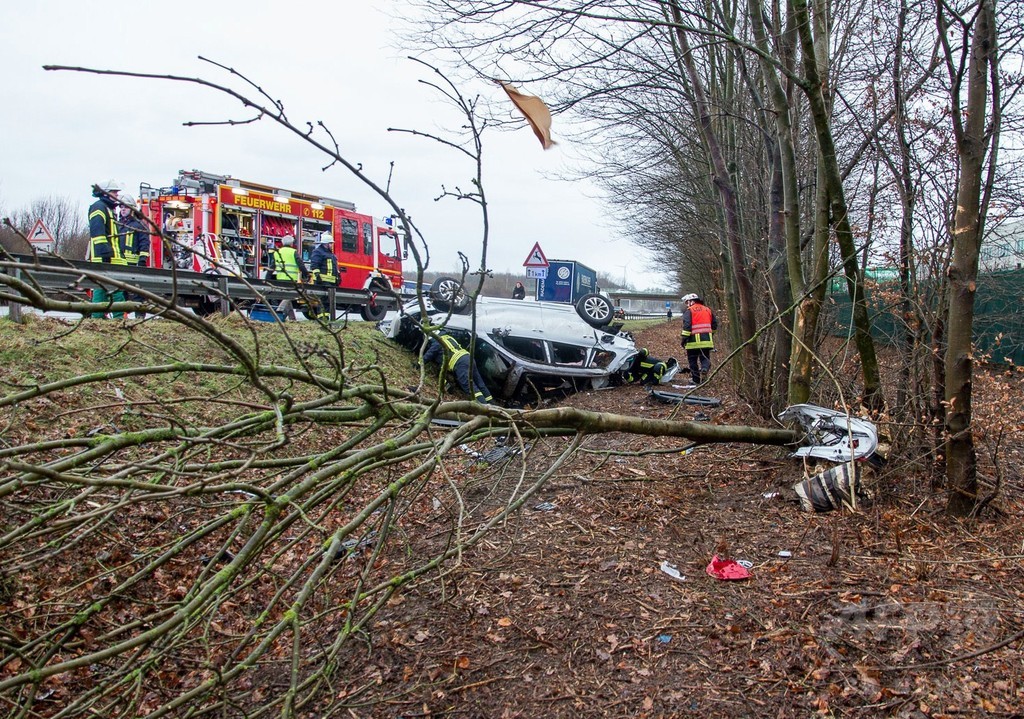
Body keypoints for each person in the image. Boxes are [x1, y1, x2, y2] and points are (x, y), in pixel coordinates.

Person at [88, 179, 127, 318]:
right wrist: (105, 255)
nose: (117, 195)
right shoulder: (99, 207)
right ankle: (118, 320)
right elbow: (97, 233)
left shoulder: (108, 209)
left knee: (102, 290)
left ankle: (97, 320)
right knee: (115, 291)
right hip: (106, 259)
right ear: (104, 193)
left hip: (110, 258)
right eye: (114, 192)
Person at [422, 332, 493, 404]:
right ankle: (492, 403)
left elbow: (428, 355)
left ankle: (485, 408)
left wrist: (418, 364)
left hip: (460, 363)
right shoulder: (448, 337)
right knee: (480, 383)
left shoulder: (437, 342)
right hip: (468, 358)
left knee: (469, 387)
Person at [116, 193, 150, 318]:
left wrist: (142, 260)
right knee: (121, 292)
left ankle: (139, 317)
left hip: (135, 265)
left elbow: (145, 244)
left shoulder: (139, 226)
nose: (123, 209)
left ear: (132, 209)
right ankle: (123, 317)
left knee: (138, 294)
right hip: (120, 263)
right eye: (121, 206)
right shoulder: (117, 225)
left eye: (125, 207)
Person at [680, 293, 718, 385]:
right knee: (705, 358)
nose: (687, 305)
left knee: (692, 360)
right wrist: (709, 335)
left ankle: (696, 380)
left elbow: (687, 326)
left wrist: (684, 339)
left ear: (691, 301)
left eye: (687, 302)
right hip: (706, 341)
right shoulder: (708, 310)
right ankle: (704, 369)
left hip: (692, 342)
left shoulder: (689, 311)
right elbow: (714, 325)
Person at [308, 233, 338, 321]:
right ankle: (322, 318)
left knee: (329, 301)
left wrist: (338, 276)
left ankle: (326, 317)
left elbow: (333, 267)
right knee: (322, 300)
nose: (332, 245)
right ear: (326, 244)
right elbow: (314, 265)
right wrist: (318, 276)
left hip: (331, 282)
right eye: (331, 243)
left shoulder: (330, 254)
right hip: (322, 281)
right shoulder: (318, 252)